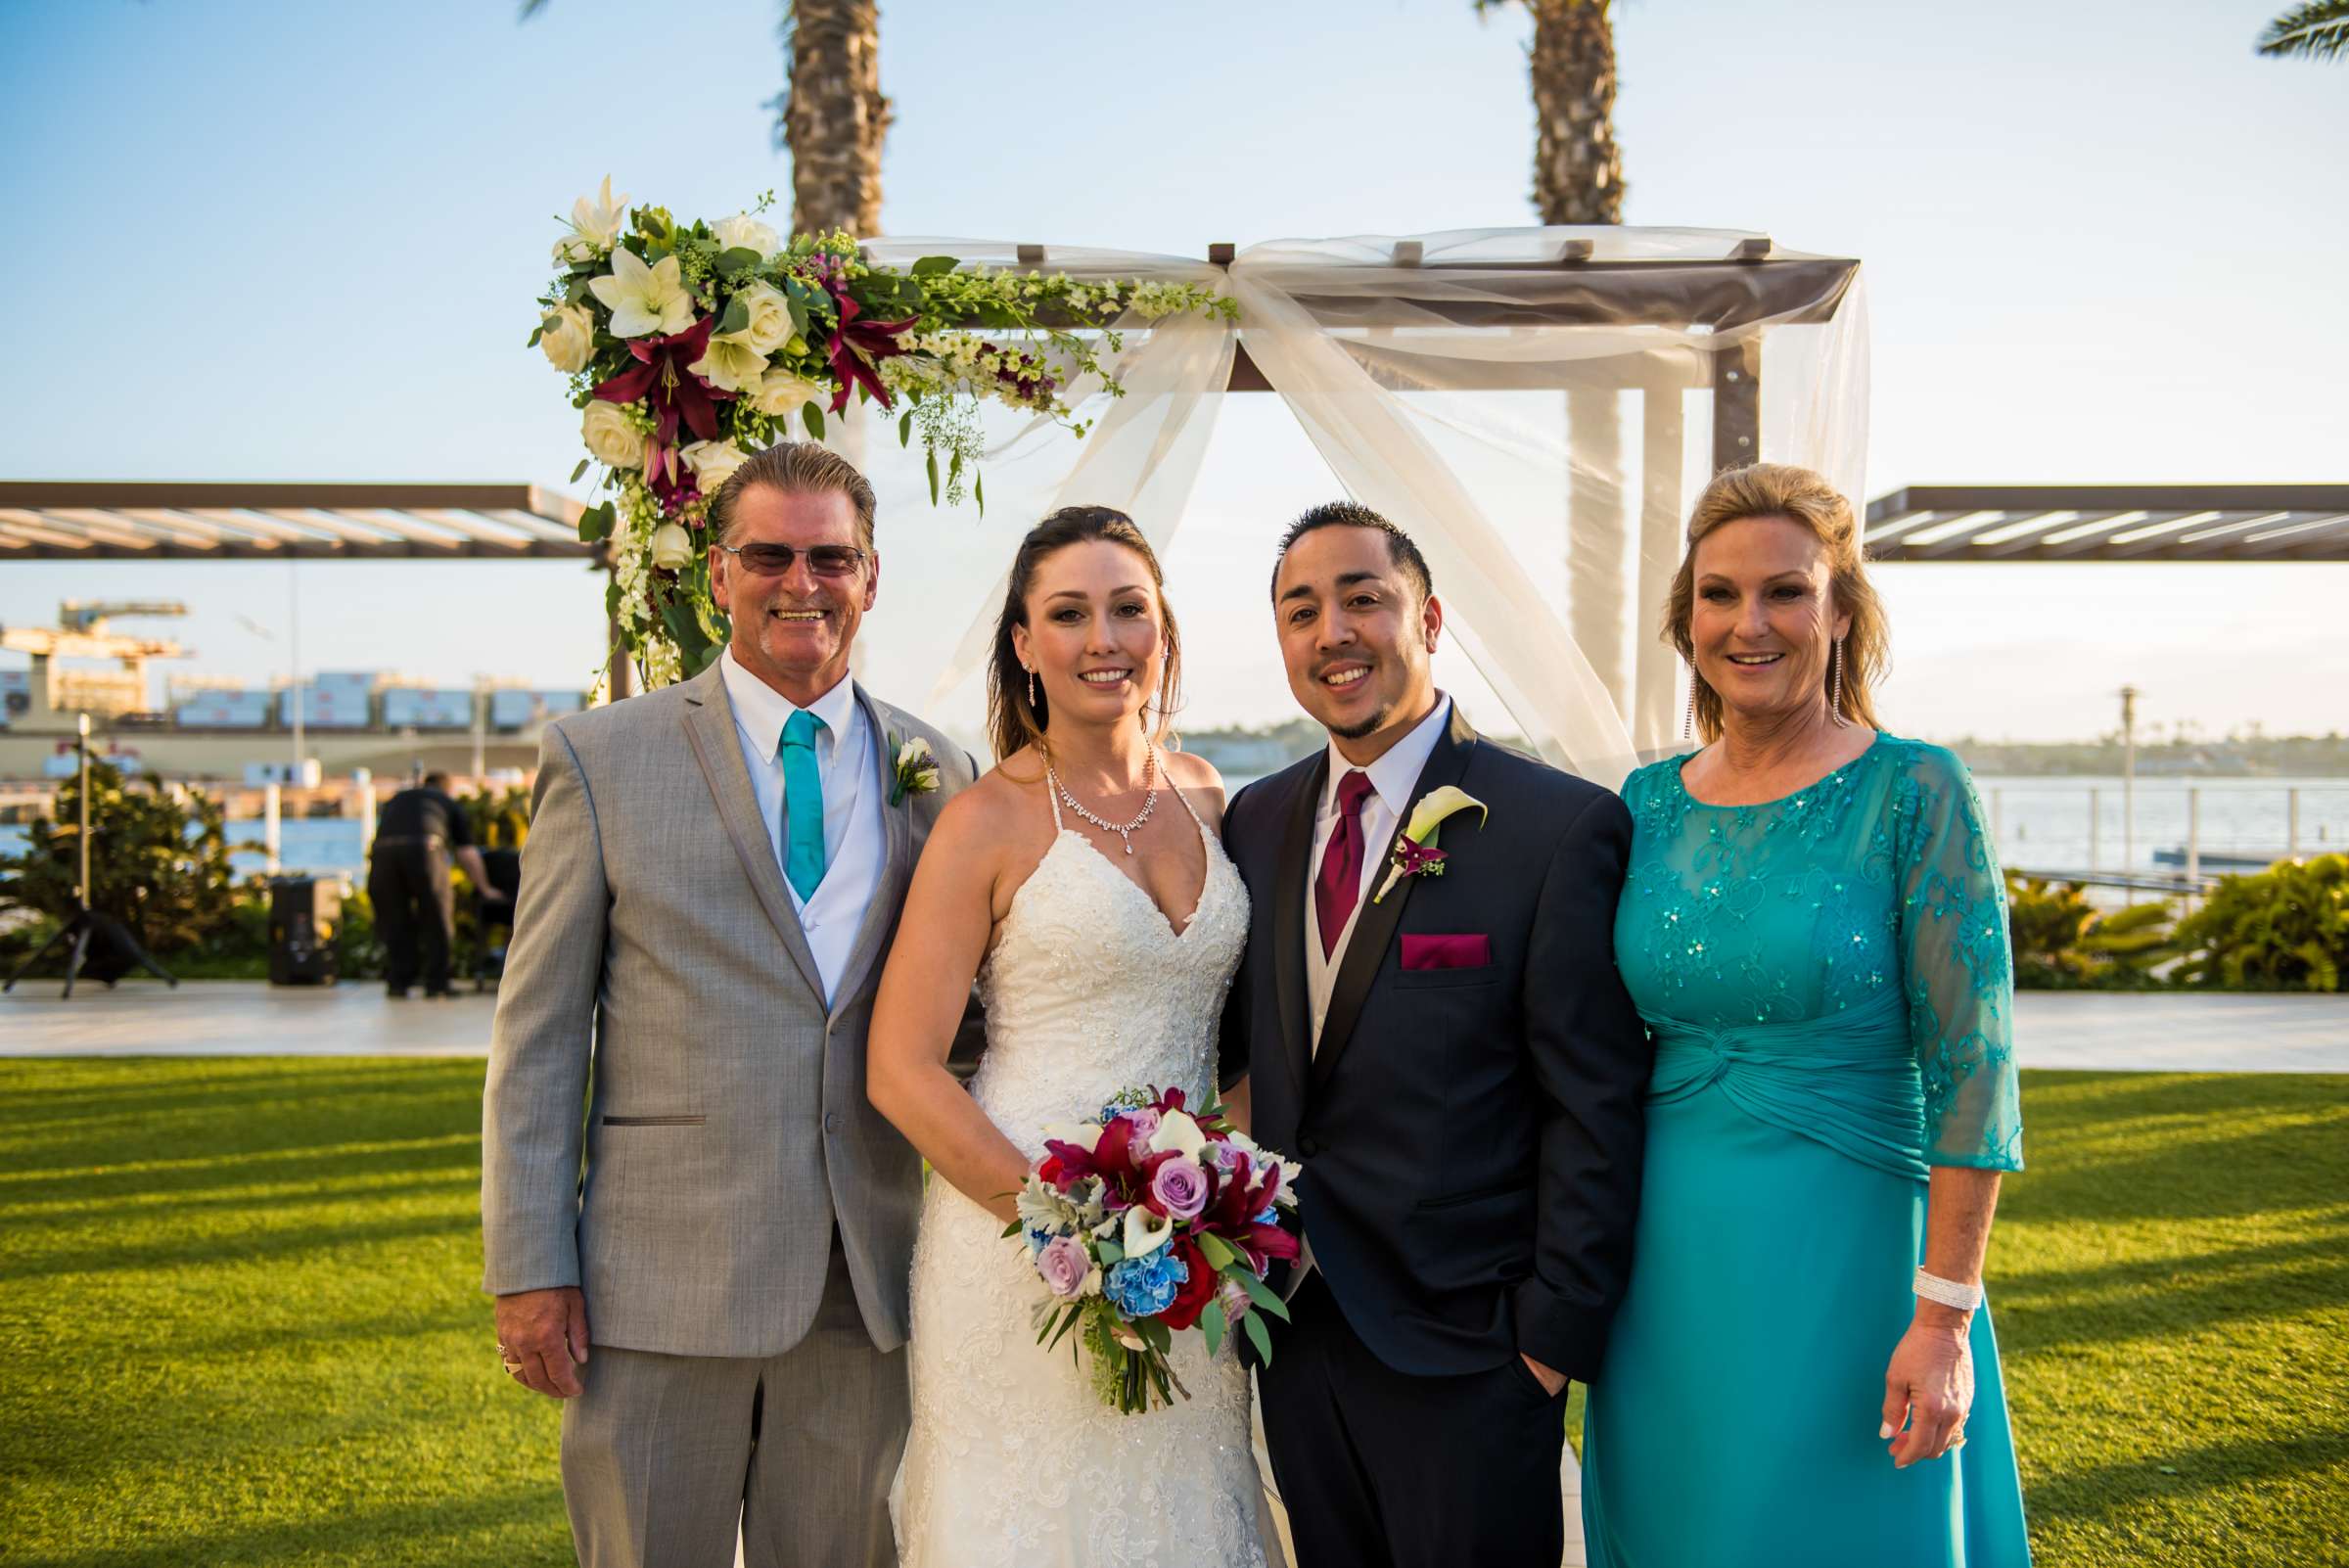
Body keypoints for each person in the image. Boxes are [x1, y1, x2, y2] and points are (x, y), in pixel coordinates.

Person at [481, 441, 979, 1568]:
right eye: (768, 555)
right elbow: (540, 1039)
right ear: (718, 574)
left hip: (865, 1286)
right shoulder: (601, 758)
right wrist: (527, 1263)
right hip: (657, 1289)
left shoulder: (939, 770)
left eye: (830, 558)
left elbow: (973, 1022)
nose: (801, 582)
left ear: (871, 575)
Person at [1581, 463, 2032, 1567]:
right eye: (1721, 594)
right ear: (1687, 621)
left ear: (1840, 612)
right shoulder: (1642, 804)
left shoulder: (1914, 789)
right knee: (1683, 1522)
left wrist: (1942, 1320)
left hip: (1851, 1259)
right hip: (1667, 1265)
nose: (1751, 622)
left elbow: (1974, 1070)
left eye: (1786, 591)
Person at [1217, 501, 1652, 1568]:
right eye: (1300, 610)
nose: (1334, 633)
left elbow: (1596, 1103)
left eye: (1364, 599)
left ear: (1430, 617)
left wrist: (1548, 1342)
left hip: (1472, 1344)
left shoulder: (1556, 827)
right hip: (1295, 1323)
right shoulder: (1257, 821)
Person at [868, 506, 1278, 1567]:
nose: (1104, 638)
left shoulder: (1204, 794)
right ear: (1024, 645)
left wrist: (1213, 1202)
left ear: (1164, 631)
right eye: (1069, 613)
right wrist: (1064, 1234)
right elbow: (902, 1067)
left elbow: (1237, 1042)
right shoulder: (985, 820)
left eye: (1128, 608)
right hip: (1016, 1248)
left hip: (1189, 1255)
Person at [367, 769, 492, 997]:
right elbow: (467, 852)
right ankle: (437, 983)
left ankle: (398, 982)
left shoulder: (398, 798)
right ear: (446, 788)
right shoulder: (446, 801)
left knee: (395, 919)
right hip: (425, 851)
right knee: (437, 916)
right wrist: (485, 888)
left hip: (383, 854)